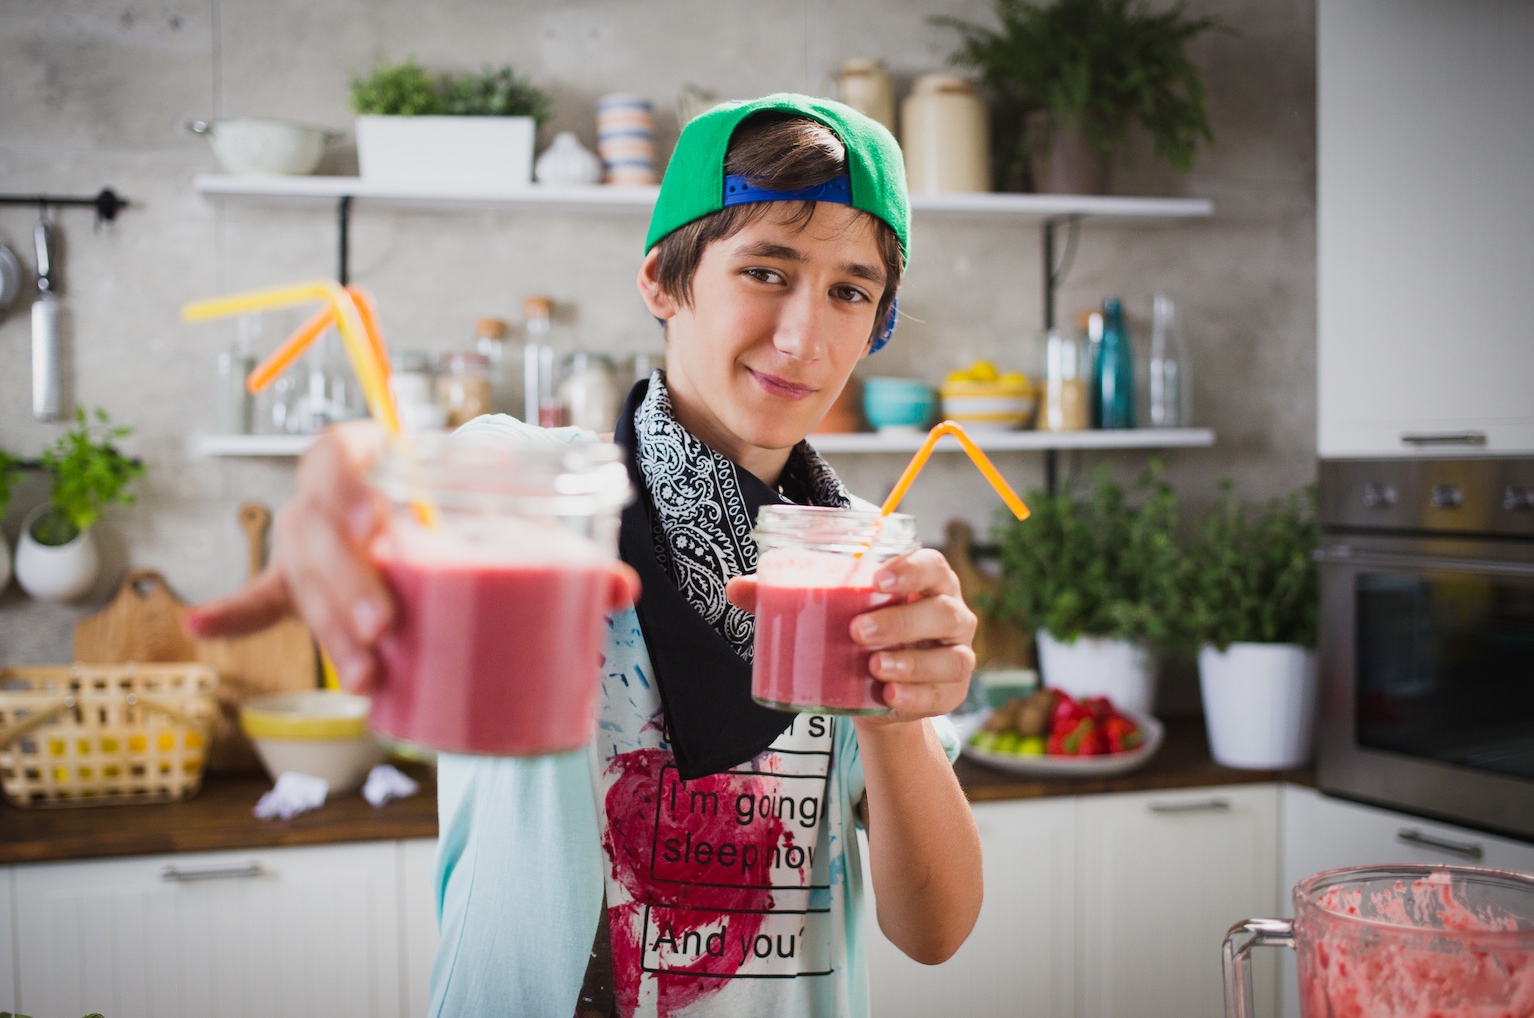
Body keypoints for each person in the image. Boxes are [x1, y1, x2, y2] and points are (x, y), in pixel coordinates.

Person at [189, 93, 983, 1018]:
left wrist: (893, 722)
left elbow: (935, 932)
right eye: (766, 270)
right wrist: (360, 481)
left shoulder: (855, 557)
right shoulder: (542, 490)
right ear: (662, 281)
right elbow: (418, 493)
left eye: (850, 291)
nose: (805, 337)